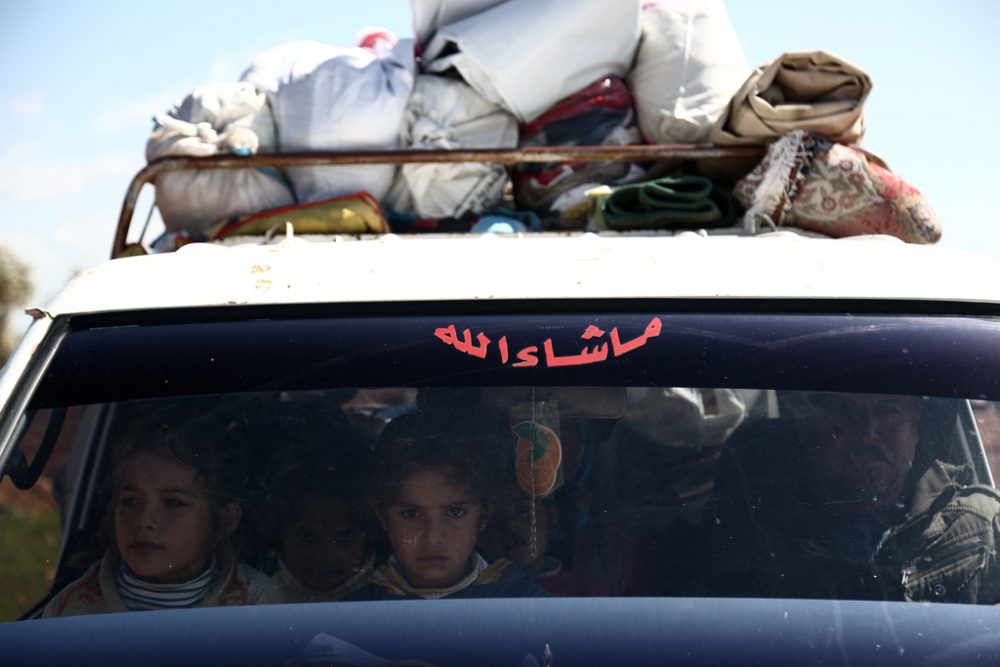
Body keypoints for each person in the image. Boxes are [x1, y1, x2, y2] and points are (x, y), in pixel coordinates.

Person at [700, 392, 1000, 603]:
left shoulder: (978, 523)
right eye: (842, 413)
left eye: (887, 412)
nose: (867, 433)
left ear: (916, 429)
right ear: (810, 431)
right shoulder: (755, 535)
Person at [42, 420, 279, 616]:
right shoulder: (70, 610)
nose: (143, 520)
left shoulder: (258, 603)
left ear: (225, 521)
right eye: (130, 501)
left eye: (173, 503)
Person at [349, 411, 549, 600]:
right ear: (381, 515)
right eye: (411, 513)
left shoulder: (525, 604)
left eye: (455, 512)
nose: (434, 538)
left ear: (485, 514)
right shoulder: (353, 611)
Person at [270, 462, 376, 603]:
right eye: (307, 536)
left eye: (344, 536)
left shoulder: (388, 598)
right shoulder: (258, 599)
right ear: (281, 537)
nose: (326, 556)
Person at [481, 485, 603, 596]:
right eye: (497, 516)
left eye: (524, 510)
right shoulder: (478, 593)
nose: (511, 524)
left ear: (552, 517)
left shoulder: (585, 594)